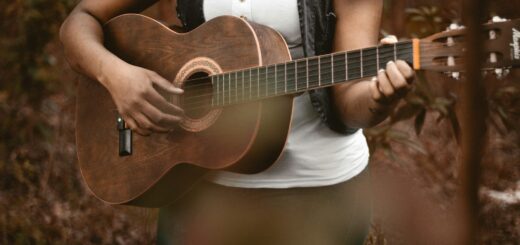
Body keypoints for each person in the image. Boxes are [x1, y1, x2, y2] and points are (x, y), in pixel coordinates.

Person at [60, 0, 415, 244]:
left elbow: (350, 101)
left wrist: (378, 99)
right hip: (198, 185)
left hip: (319, 191)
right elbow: (80, 21)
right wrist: (117, 76)